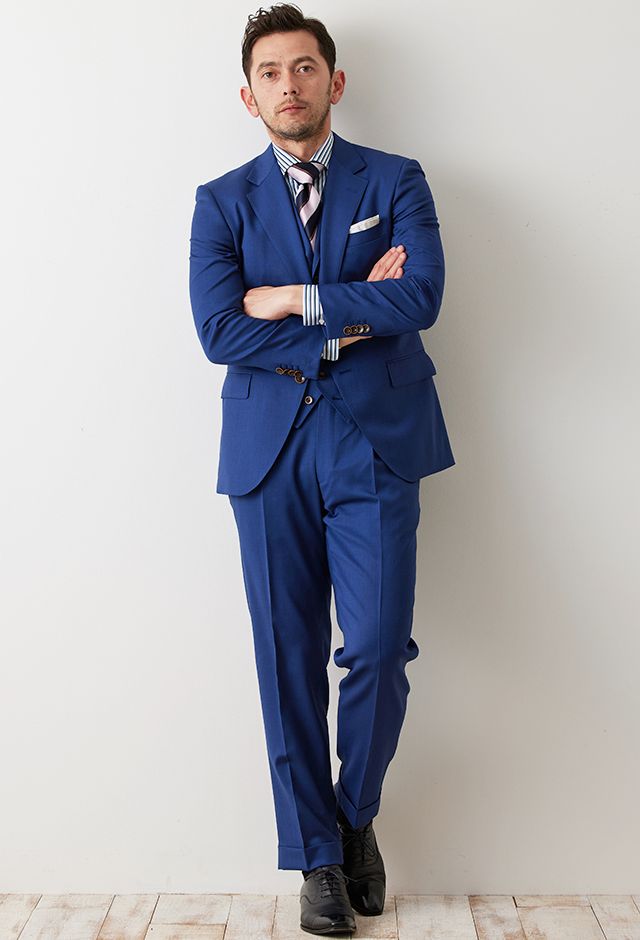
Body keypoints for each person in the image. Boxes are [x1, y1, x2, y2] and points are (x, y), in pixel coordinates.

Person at [188, 3, 455, 934]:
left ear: (334, 81)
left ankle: (352, 815)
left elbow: (419, 295)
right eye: (270, 72)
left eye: (304, 68)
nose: (289, 85)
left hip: (375, 439)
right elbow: (219, 329)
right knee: (286, 657)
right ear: (249, 96)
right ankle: (317, 862)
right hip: (268, 451)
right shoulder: (221, 201)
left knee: (378, 648)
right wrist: (348, 316)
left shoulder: (397, 178)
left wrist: (291, 300)